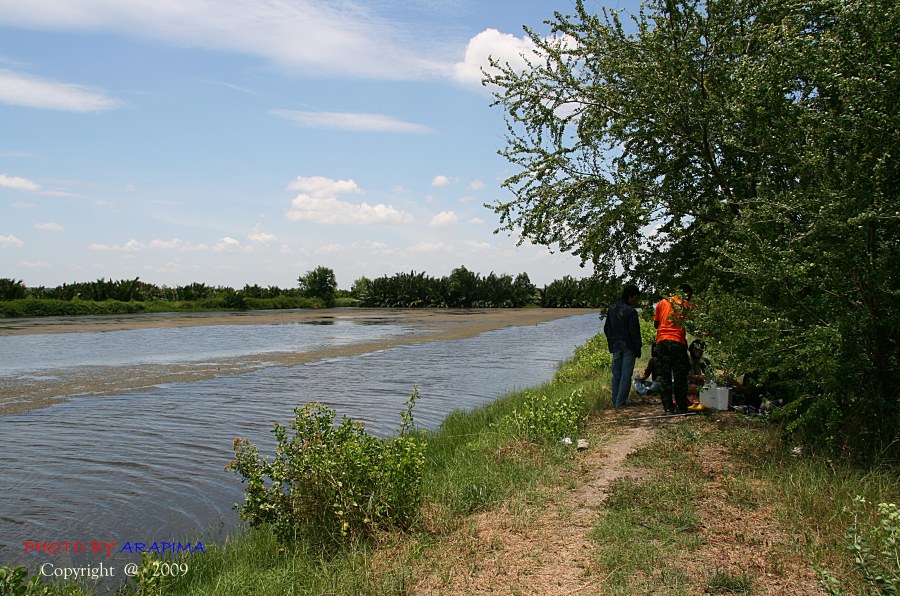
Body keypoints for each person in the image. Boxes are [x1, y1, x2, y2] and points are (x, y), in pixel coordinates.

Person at [653, 284, 694, 413]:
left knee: (665, 375)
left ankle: (668, 406)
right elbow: (692, 326)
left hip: (661, 342)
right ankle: (681, 406)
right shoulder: (686, 305)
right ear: (687, 293)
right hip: (677, 342)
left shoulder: (663, 302)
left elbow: (656, 324)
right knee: (680, 375)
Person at [603, 284, 642, 408]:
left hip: (615, 345)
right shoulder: (630, 311)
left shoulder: (612, 308)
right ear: (630, 297)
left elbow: (607, 328)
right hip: (628, 345)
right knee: (626, 374)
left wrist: (611, 342)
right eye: (635, 298)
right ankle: (620, 402)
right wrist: (638, 348)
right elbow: (634, 332)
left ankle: (615, 400)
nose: (635, 302)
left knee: (616, 373)